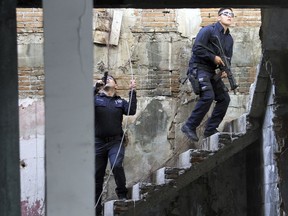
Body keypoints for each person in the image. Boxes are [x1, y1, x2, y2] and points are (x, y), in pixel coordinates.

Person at [182, 8, 234, 141]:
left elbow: (227, 58)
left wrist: (224, 70)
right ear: (218, 17)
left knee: (224, 99)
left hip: (211, 72)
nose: (229, 16)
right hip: (199, 67)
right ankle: (189, 125)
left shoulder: (229, 39)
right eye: (226, 14)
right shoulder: (208, 30)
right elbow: (197, 48)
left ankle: (210, 130)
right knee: (208, 96)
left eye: (231, 15)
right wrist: (213, 57)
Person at [94, 75, 137, 215]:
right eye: (106, 79)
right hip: (98, 143)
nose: (107, 80)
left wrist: (132, 91)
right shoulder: (96, 99)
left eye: (110, 79)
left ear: (116, 86)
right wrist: (95, 89)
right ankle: (96, 208)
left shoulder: (120, 101)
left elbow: (131, 110)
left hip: (115, 141)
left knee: (116, 164)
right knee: (96, 176)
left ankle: (122, 193)